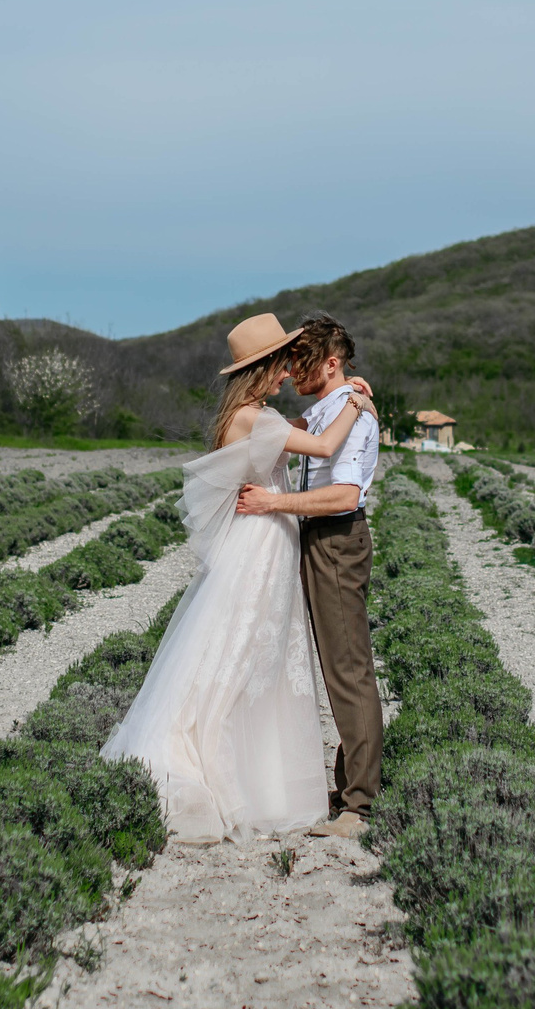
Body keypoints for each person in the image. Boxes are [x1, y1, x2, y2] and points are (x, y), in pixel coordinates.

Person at [99, 313, 375, 844]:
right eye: (280, 365)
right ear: (263, 367)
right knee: (247, 656)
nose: (287, 375)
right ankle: (239, 773)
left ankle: (265, 772)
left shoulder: (249, 416)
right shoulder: (256, 417)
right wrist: (359, 403)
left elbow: (306, 430)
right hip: (263, 543)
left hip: (263, 540)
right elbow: (319, 445)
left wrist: (343, 402)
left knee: (243, 655)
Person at [233, 316, 381, 839]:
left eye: (302, 362)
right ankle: (347, 790)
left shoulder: (352, 415)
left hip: (338, 539)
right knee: (337, 668)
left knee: (348, 669)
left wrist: (274, 503)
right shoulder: (327, 411)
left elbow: (344, 495)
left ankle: (360, 807)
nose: (292, 371)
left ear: (332, 364)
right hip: (319, 539)